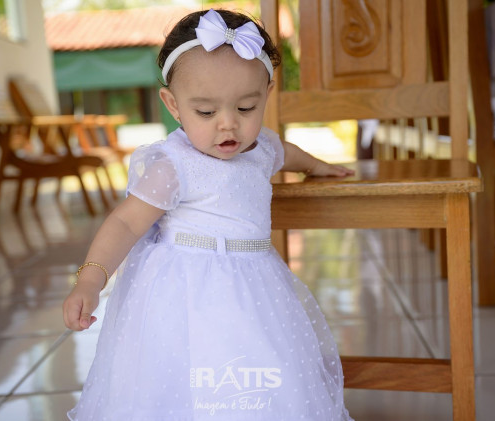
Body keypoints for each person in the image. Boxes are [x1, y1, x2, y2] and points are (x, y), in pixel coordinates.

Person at [63, 8, 354, 420]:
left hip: (256, 285)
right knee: (187, 378)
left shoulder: (261, 147)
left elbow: (286, 152)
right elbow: (126, 222)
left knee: (261, 366)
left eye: (246, 107)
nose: (228, 125)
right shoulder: (173, 166)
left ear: (266, 93)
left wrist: (317, 166)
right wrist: (91, 280)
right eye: (205, 112)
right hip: (185, 293)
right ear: (173, 104)